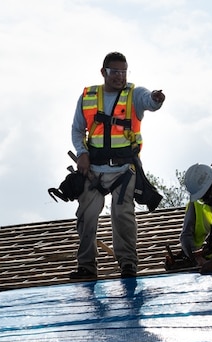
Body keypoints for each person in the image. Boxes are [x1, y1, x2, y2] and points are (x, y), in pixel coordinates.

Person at [69, 51, 165, 280]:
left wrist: (156, 99)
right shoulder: (88, 96)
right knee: (86, 217)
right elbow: (76, 129)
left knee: (123, 216)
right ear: (103, 72)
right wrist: (82, 153)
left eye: (123, 72)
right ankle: (87, 267)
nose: (119, 77)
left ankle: (128, 264)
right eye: (114, 72)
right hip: (94, 171)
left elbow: (149, 101)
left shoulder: (135, 94)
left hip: (124, 170)